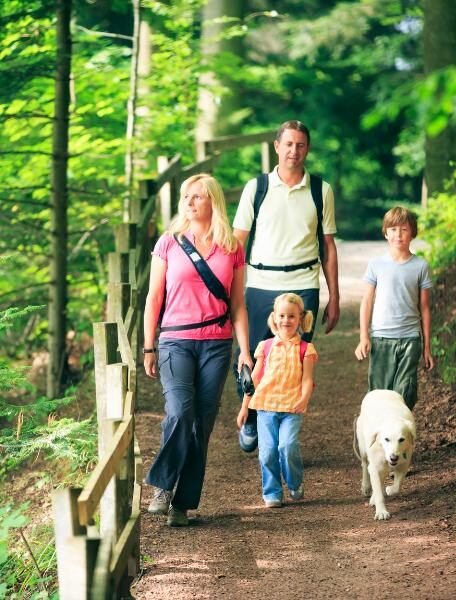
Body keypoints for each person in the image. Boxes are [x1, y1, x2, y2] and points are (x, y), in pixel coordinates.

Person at [143, 173, 252, 527]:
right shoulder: (169, 243)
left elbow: (238, 305)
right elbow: (153, 298)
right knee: (179, 412)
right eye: (186, 196)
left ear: (213, 202)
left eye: (198, 197)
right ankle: (162, 486)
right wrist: (148, 346)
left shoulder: (232, 247)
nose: (190, 202)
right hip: (175, 341)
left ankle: (183, 504)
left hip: (217, 346)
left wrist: (245, 352)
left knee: (201, 425)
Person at [232, 119, 339, 452]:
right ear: (277, 147)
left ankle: (281, 431)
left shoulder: (321, 190)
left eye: (301, 145)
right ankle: (250, 417)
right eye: (288, 144)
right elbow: (238, 241)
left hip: (304, 283)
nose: (294, 151)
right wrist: (229, 291)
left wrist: (334, 296)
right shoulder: (257, 188)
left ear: (308, 149)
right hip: (261, 283)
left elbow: (328, 246)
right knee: (251, 356)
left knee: (293, 362)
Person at [236, 293, 317, 507]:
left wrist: (304, 399)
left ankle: (294, 482)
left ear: (300, 318)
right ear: (274, 318)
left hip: (291, 407)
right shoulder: (266, 346)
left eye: (291, 316)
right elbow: (253, 379)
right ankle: (272, 492)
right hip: (265, 407)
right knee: (268, 451)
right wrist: (245, 408)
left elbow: (308, 380)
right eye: (281, 315)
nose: (286, 320)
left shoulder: (305, 349)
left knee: (287, 446)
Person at [354, 206, 434, 410]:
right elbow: (366, 301)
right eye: (393, 229)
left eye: (404, 229)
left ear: (412, 233)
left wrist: (426, 347)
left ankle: (401, 438)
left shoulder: (420, 266)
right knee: (380, 393)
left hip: (410, 339)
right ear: (386, 232)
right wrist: (364, 337)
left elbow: (424, 308)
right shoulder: (376, 264)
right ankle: (378, 437)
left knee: (405, 392)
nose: (398, 234)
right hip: (381, 338)